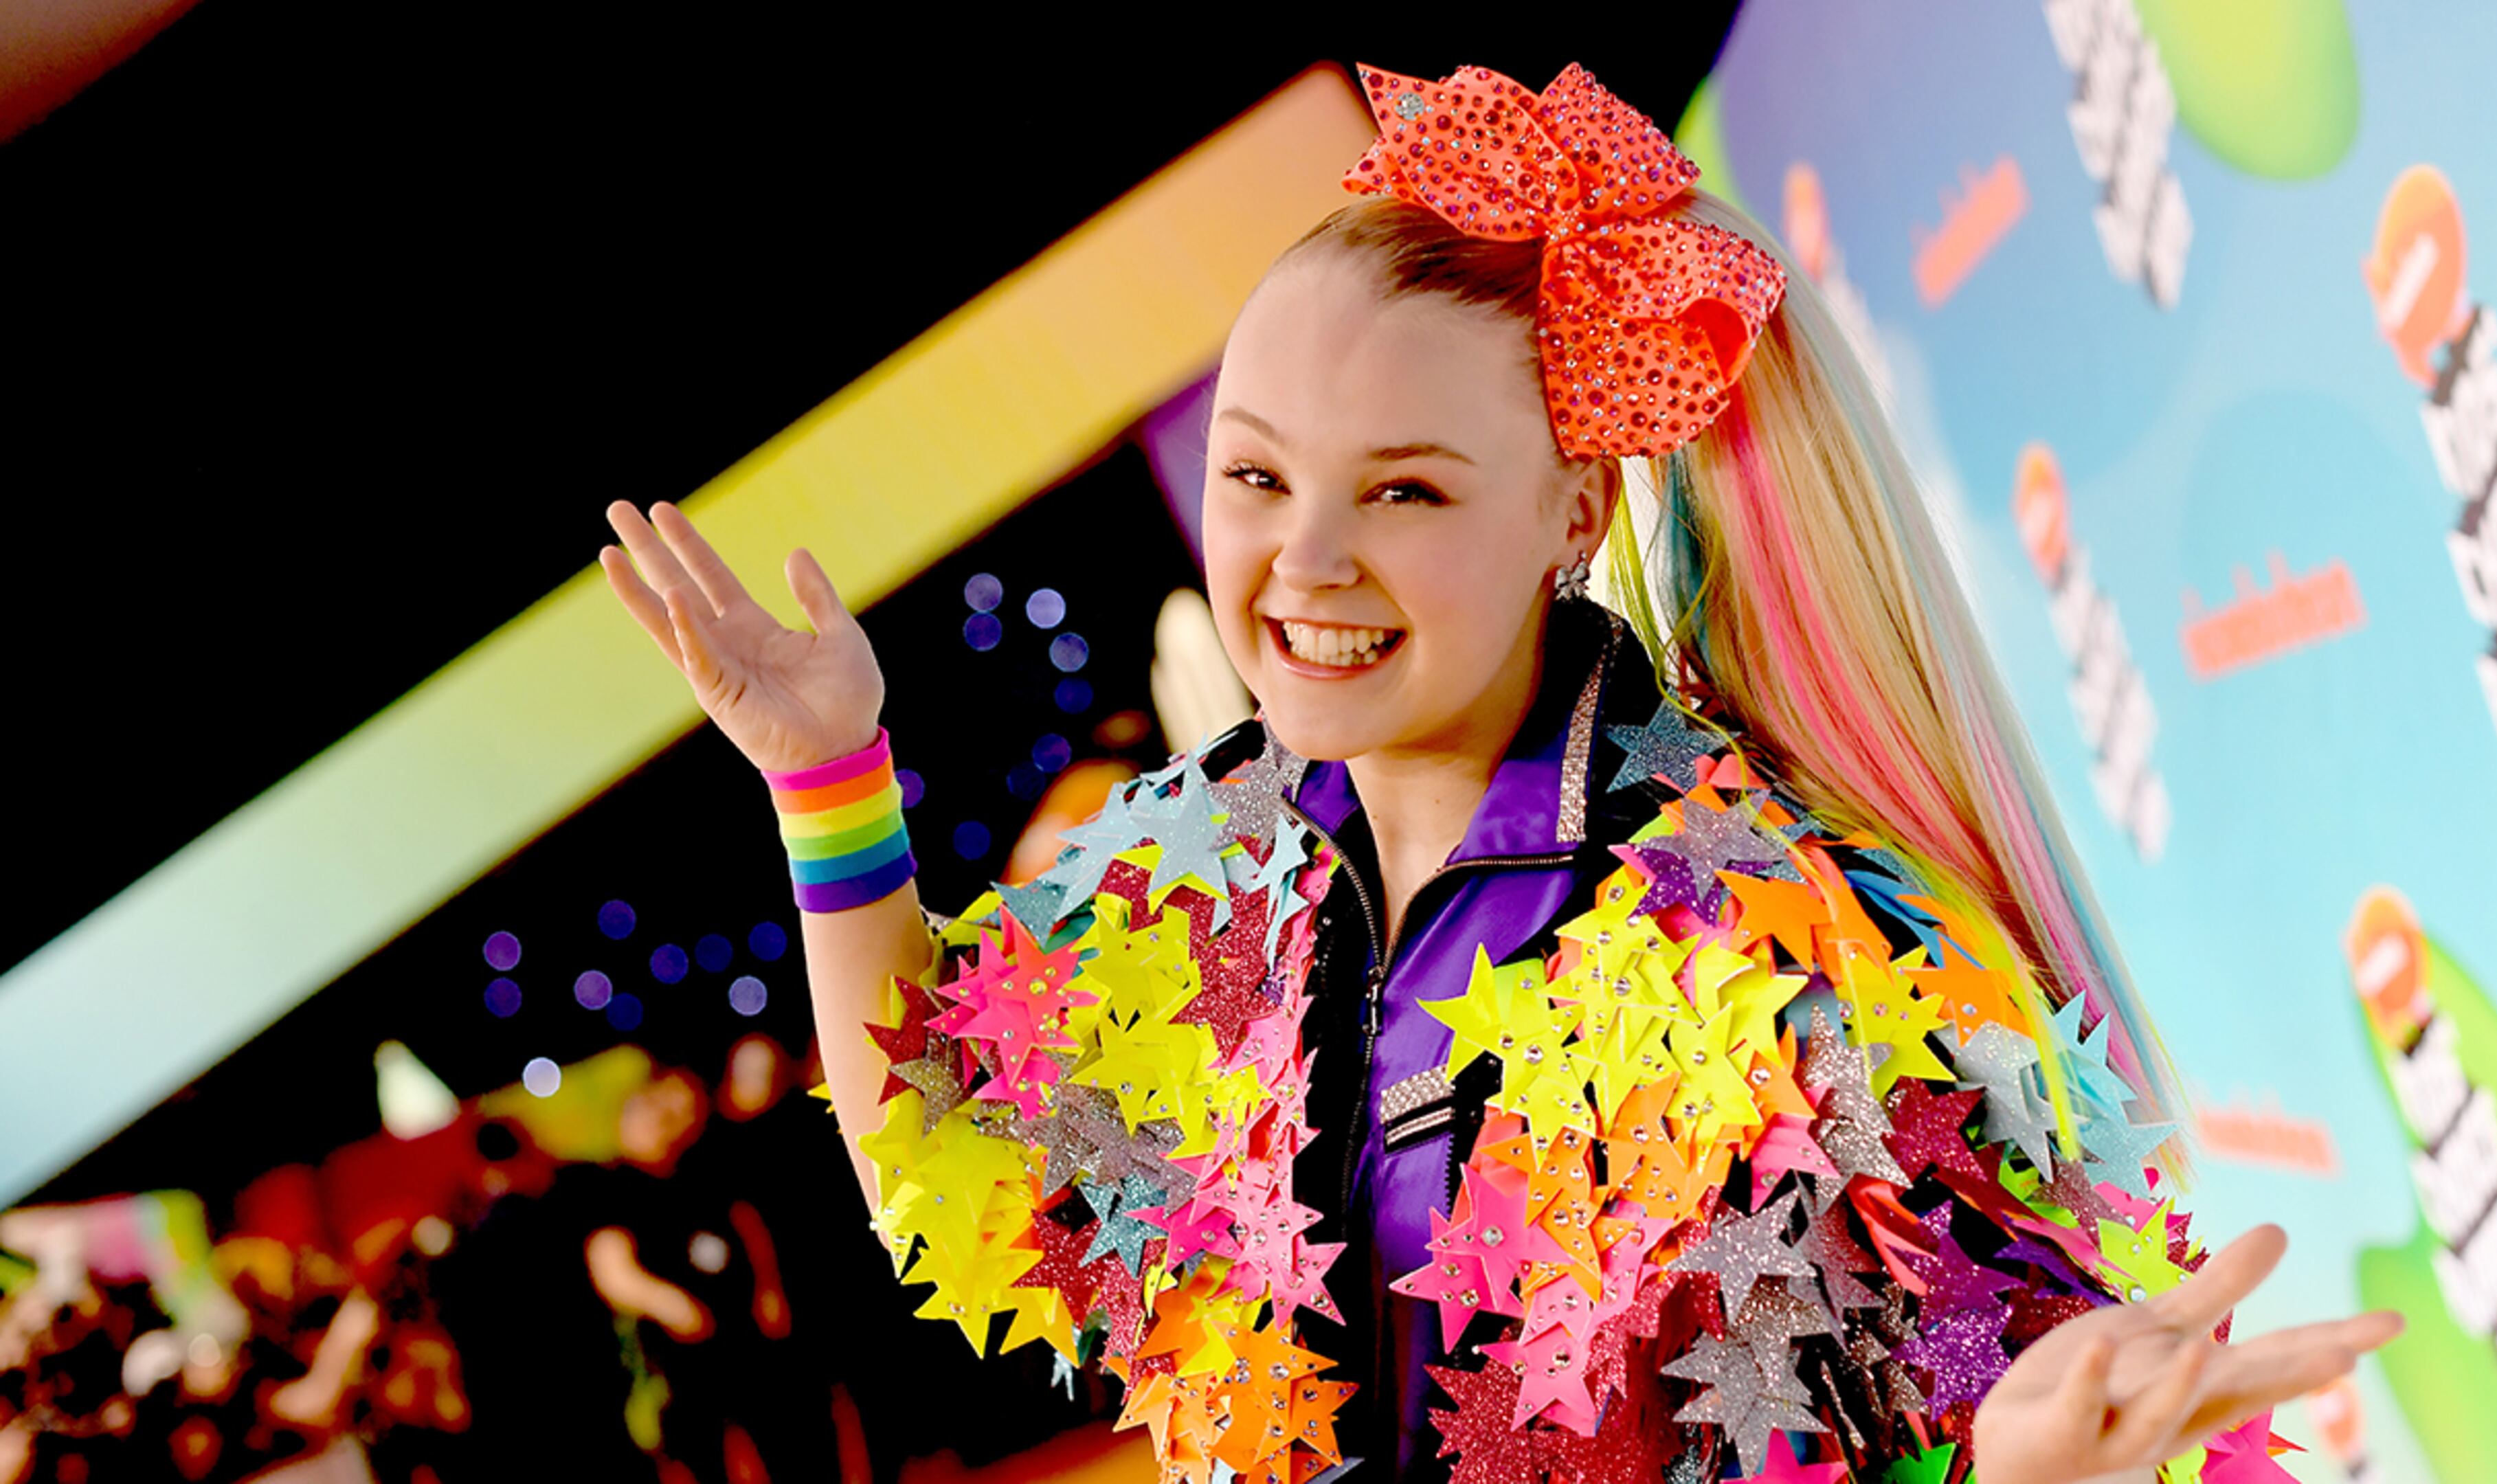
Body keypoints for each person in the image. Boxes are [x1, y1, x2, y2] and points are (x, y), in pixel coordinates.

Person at [596, 60, 2399, 1484]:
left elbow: (1965, 1372)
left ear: (1571, 514)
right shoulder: (1206, 866)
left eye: (1404, 488)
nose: (1300, 563)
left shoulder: (1767, 932)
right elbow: (953, 1153)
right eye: (1254, 476)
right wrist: (831, 783)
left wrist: (2017, 1453)